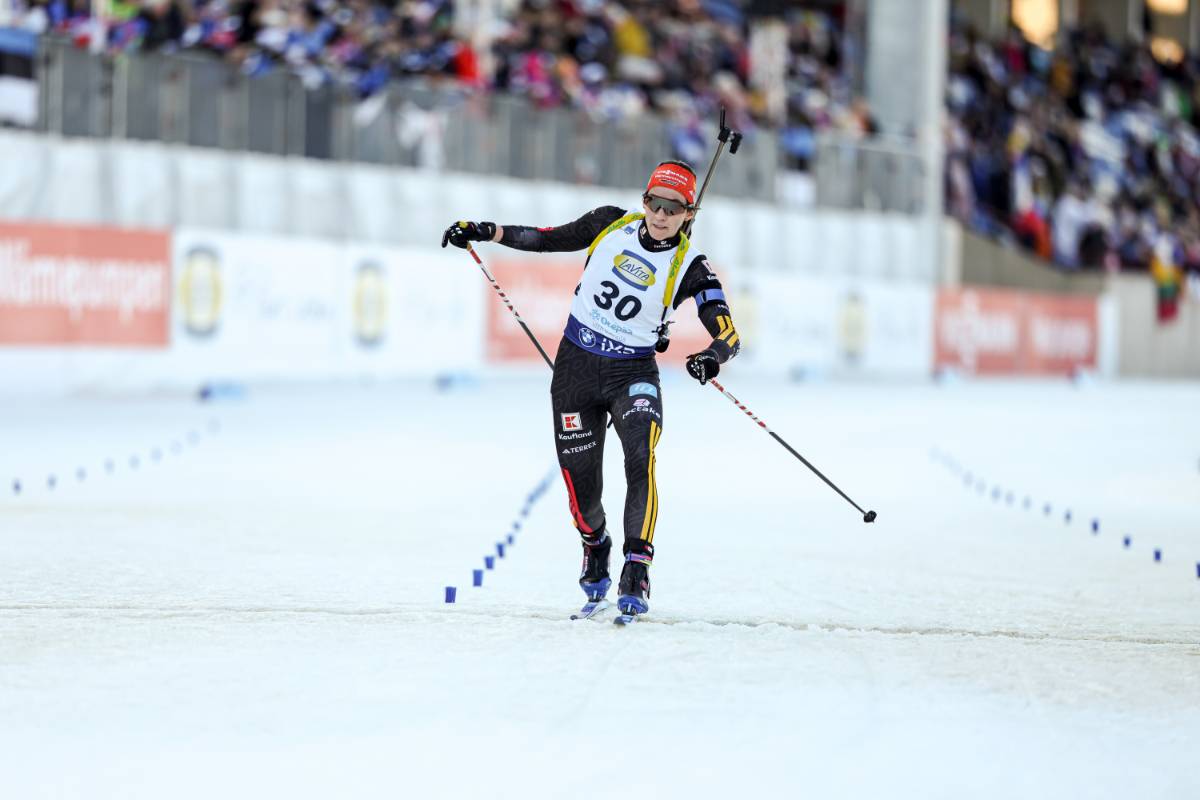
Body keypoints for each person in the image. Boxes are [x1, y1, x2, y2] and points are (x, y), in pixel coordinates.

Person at [441, 160, 741, 618]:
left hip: (633, 374)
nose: (661, 215)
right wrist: (485, 231)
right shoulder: (610, 224)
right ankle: (595, 544)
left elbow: (728, 334)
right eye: (654, 204)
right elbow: (547, 238)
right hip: (576, 368)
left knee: (641, 458)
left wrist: (711, 356)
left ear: (688, 213)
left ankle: (637, 568)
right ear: (644, 201)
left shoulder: (692, 267)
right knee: (583, 489)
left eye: (673, 208)